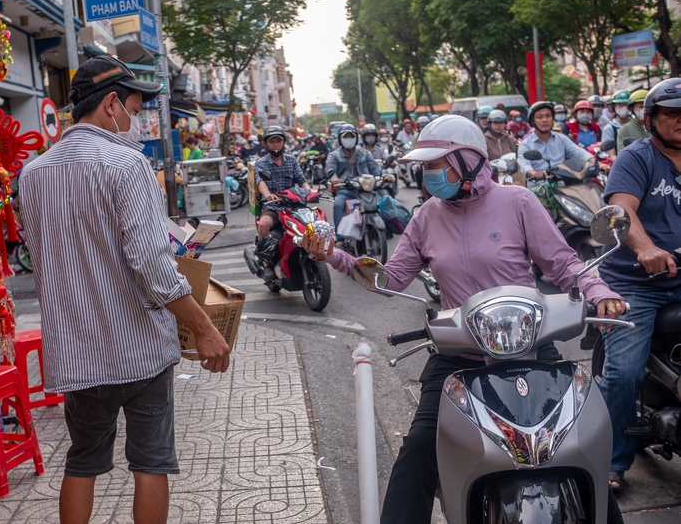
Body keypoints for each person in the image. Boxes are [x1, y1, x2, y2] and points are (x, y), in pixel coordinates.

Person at [300, 114, 626, 524]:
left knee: (580, 442)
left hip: (531, 345)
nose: (427, 173)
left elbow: (563, 264)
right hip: (459, 354)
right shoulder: (426, 218)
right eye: (426, 166)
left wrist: (601, 293)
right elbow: (390, 279)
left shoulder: (518, 202)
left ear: (470, 160)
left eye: (436, 164)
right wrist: (331, 255)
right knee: (420, 447)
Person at [19, 56, 230, 524]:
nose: (136, 121)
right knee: (150, 463)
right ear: (111, 103)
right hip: (138, 350)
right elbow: (153, 267)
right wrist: (204, 329)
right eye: (135, 108)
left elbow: (48, 256)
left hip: (76, 353)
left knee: (83, 461)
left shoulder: (32, 174)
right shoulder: (126, 163)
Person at [597, 77, 681, 493]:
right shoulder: (636, 158)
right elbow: (621, 208)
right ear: (651, 120)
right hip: (637, 282)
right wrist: (645, 248)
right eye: (672, 112)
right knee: (623, 372)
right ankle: (613, 461)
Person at [325, 124, 393, 243]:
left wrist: (385, 175)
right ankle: (340, 239)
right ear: (340, 139)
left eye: (352, 136)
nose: (349, 139)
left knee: (383, 202)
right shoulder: (333, 155)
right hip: (346, 190)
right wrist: (334, 179)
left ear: (356, 138)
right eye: (346, 137)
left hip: (366, 189)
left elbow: (375, 168)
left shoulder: (365, 153)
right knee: (338, 205)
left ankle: (387, 230)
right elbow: (330, 171)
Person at [254, 125, 313, 256]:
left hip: (293, 206)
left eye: (278, 141)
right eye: (272, 142)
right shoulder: (261, 163)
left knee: (311, 225)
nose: (276, 145)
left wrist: (309, 191)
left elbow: (302, 180)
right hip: (273, 207)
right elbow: (261, 182)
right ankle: (265, 259)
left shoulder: (291, 160)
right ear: (266, 144)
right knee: (263, 225)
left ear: (283, 142)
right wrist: (268, 195)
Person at [518, 101, 604, 180]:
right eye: (540, 117)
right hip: (538, 187)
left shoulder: (562, 139)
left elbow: (579, 152)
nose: (545, 120)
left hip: (562, 184)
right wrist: (535, 173)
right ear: (533, 121)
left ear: (552, 119)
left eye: (548, 116)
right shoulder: (526, 145)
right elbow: (524, 165)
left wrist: (597, 163)